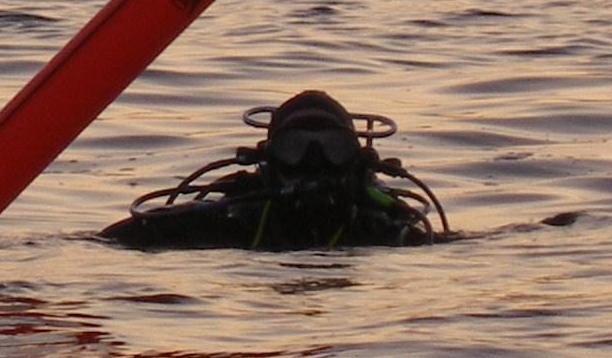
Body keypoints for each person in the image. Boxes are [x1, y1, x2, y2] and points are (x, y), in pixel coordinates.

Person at [101, 88, 448, 250]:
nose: (314, 162)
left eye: (333, 148)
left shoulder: (386, 229)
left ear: (355, 160)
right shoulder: (231, 220)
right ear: (270, 159)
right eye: (295, 148)